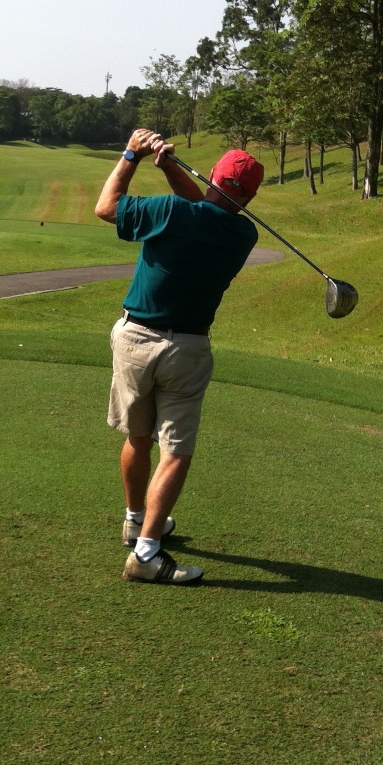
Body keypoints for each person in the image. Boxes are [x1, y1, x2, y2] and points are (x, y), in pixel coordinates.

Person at [94, 128, 263, 585]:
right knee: (175, 451)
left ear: (211, 176)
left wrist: (131, 154)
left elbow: (106, 207)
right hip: (187, 349)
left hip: (134, 338)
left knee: (138, 438)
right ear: (250, 196)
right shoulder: (243, 234)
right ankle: (146, 550)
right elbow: (209, 210)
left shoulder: (169, 211)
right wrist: (170, 169)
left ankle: (136, 525)